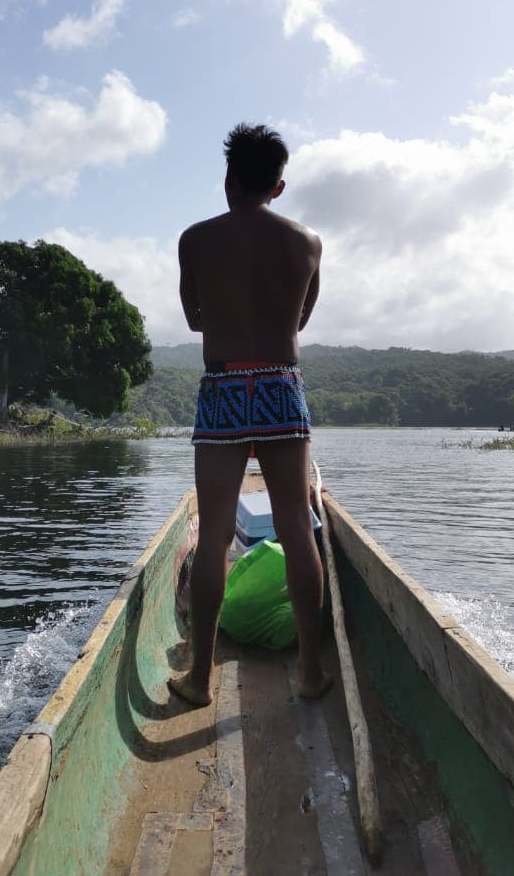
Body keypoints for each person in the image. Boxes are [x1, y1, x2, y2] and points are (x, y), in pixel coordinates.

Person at [168, 123, 331, 707]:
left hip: (223, 387)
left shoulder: (195, 240)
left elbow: (193, 318)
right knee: (296, 528)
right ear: (278, 186)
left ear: (228, 179)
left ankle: (199, 678)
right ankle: (309, 672)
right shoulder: (307, 243)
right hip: (281, 386)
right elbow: (301, 319)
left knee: (214, 535)